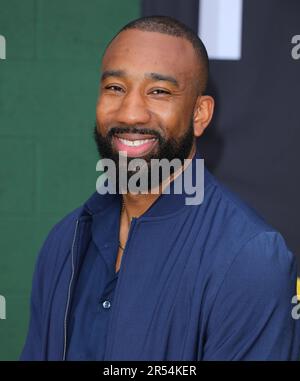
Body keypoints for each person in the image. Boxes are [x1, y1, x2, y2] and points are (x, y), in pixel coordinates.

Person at [21, 15, 300, 361]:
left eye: (158, 92)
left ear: (199, 114)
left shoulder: (250, 259)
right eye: (115, 88)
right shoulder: (65, 240)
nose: (131, 113)